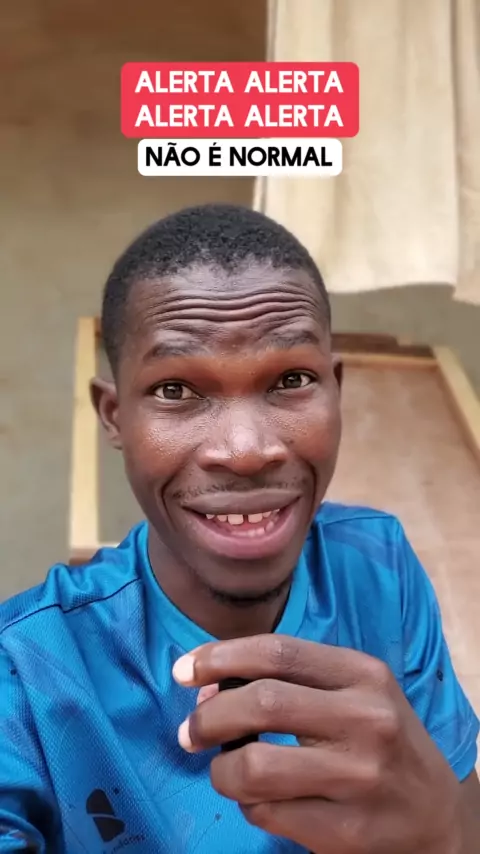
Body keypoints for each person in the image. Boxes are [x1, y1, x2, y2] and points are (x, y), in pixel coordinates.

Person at [0, 204, 478, 854]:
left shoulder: (377, 566)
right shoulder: (29, 670)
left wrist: (443, 833)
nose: (247, 449)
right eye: (176, 390)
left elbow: (458, 806)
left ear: (335, 391)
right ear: (114, 417)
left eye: (291, 380)